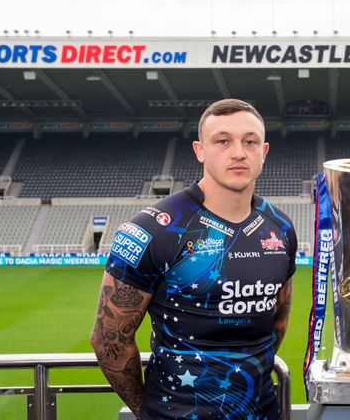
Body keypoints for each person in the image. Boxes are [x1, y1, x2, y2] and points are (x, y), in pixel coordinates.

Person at [91, 98, 297, 420]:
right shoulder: (152, 229)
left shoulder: (280, 228)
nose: (239, 152)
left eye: (250, 141)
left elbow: (278, 324)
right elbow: (108, 340)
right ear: (200, 150)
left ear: (264, 151)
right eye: (223, 141)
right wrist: (147, 410)